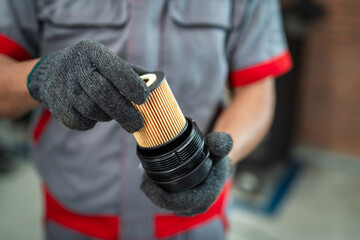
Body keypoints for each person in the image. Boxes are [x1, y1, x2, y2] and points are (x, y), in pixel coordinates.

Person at [0, 0, 292, 239]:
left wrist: (222, 159)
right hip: (77, 221)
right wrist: (40, 75)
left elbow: (257, 90)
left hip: (195, 225)